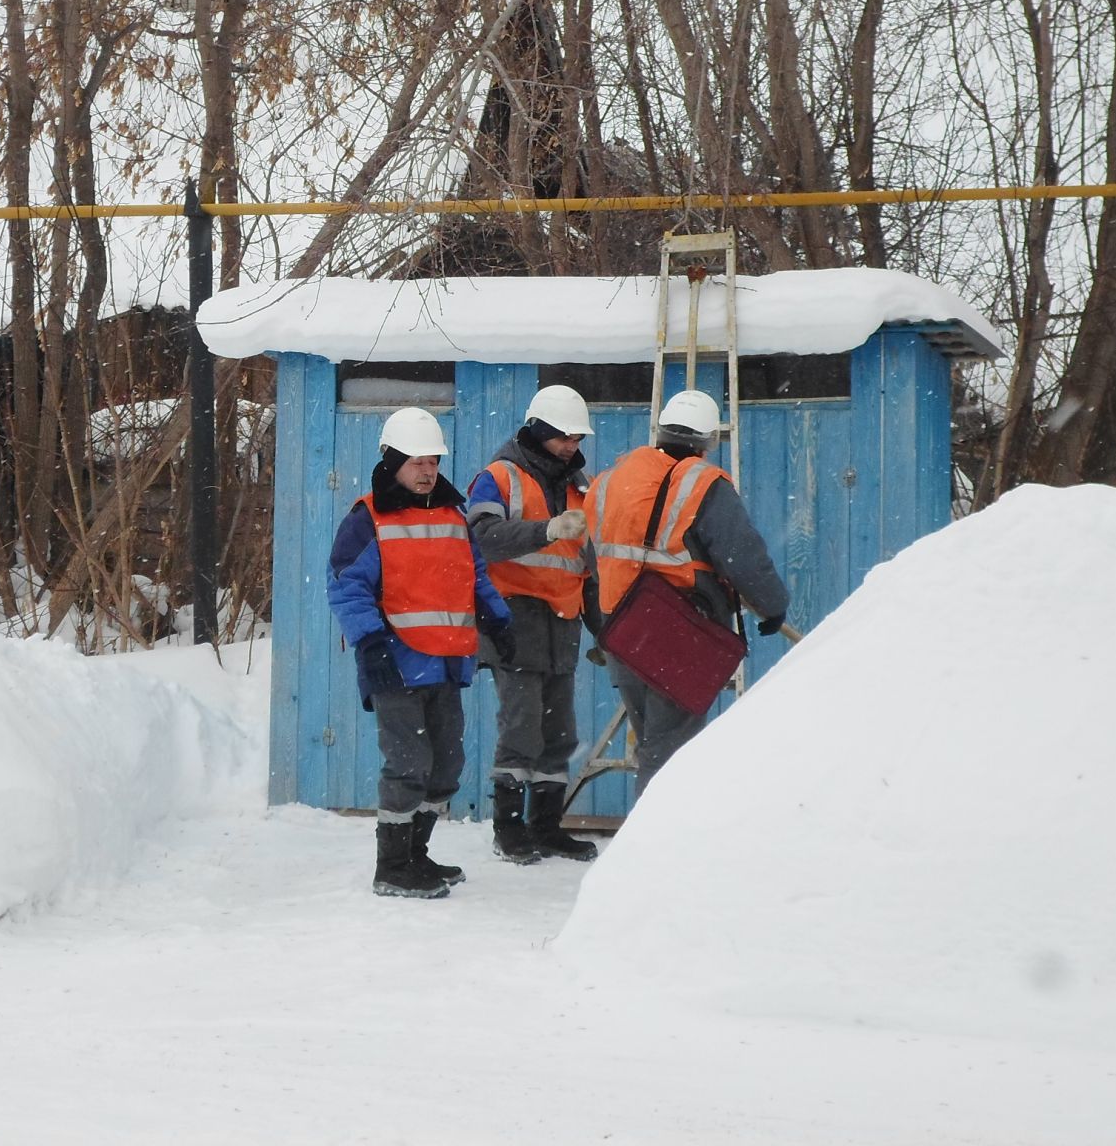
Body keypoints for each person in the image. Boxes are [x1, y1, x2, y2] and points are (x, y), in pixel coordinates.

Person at [328, 406, 516, 899]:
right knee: (408, 763)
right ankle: (392, 867)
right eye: (417, 461)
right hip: (395, 663)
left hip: (448, 662)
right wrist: (370, 644)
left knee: (446, 765)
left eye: (433, 460)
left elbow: (474, 577)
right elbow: (347, 587)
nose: (428, 470)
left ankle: (417, 854)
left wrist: (498, 619)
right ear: (391, 460)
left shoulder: (454, 516)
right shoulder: (367, 519)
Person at [586, 389, 789, 798]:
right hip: (678, 632)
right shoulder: (703, 483)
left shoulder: (612, 479)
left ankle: (646, 843)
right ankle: (655, 849)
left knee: (652, 741)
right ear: (709, 440)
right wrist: (772, 606)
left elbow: (593, 554)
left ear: (660, 431)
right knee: (671, 752)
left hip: (624, 631)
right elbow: (741, 552)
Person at [465, 384, 604, 864]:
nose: (573, 446)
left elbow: (585, 567)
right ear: (538, 431)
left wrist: (603, 629)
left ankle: (546, 828)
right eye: (565, 437)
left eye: (577, 438)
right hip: (514, 617)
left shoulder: (579, 486)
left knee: (559, 732)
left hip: (562, 623)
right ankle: (508, 830)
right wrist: (546, 530)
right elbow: (481, 539)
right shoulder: (498, 476)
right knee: (522, 728)